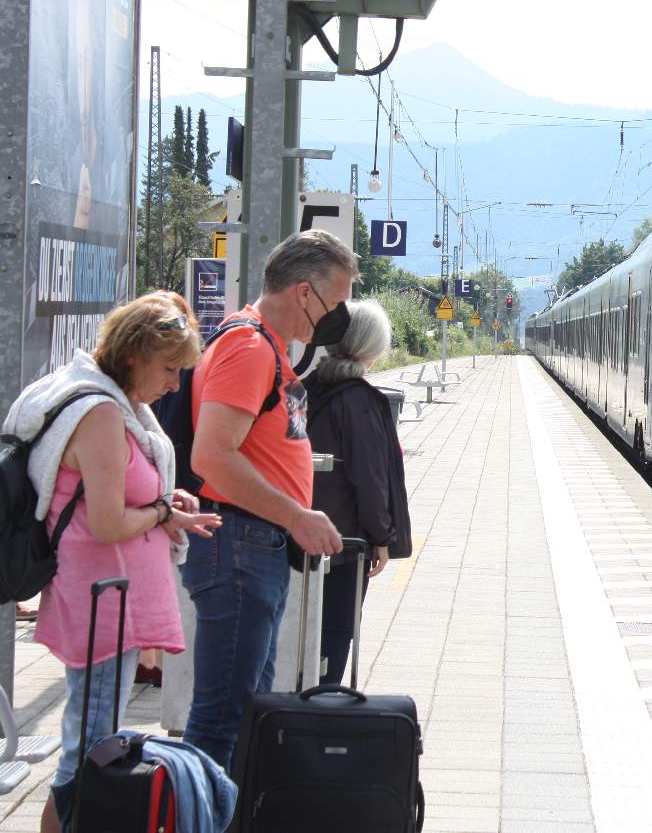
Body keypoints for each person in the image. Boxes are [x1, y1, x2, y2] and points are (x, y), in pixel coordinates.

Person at [2, 292, 222, 833]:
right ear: (134, 358)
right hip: (103, 598)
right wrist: (163, 509)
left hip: (109, 595)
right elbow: (106, 523)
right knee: (91, 745)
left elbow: (124, 507)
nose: (175, 383)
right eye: (170, 369)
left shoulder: (113, 405)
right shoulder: (101, 414)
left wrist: (164, 510)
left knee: (94, 738)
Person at [183, 229, 354, 771]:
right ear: (305, 292)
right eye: (336, 303)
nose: (335, 319)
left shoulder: (265, 348)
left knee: (246, 713)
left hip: (255, 547)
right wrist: (297, 515)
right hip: (240, 547)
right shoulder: (249, 347)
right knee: (223, 719)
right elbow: (212, 456)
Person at [303, 300, 413, 685]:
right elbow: (370, 479)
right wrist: (382, 537)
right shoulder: (361, 402)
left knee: (298, 641)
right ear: (372, 347)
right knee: (334, 637)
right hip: (343, 544)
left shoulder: (304, 390)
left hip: (294, 537)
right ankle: (322, 708)